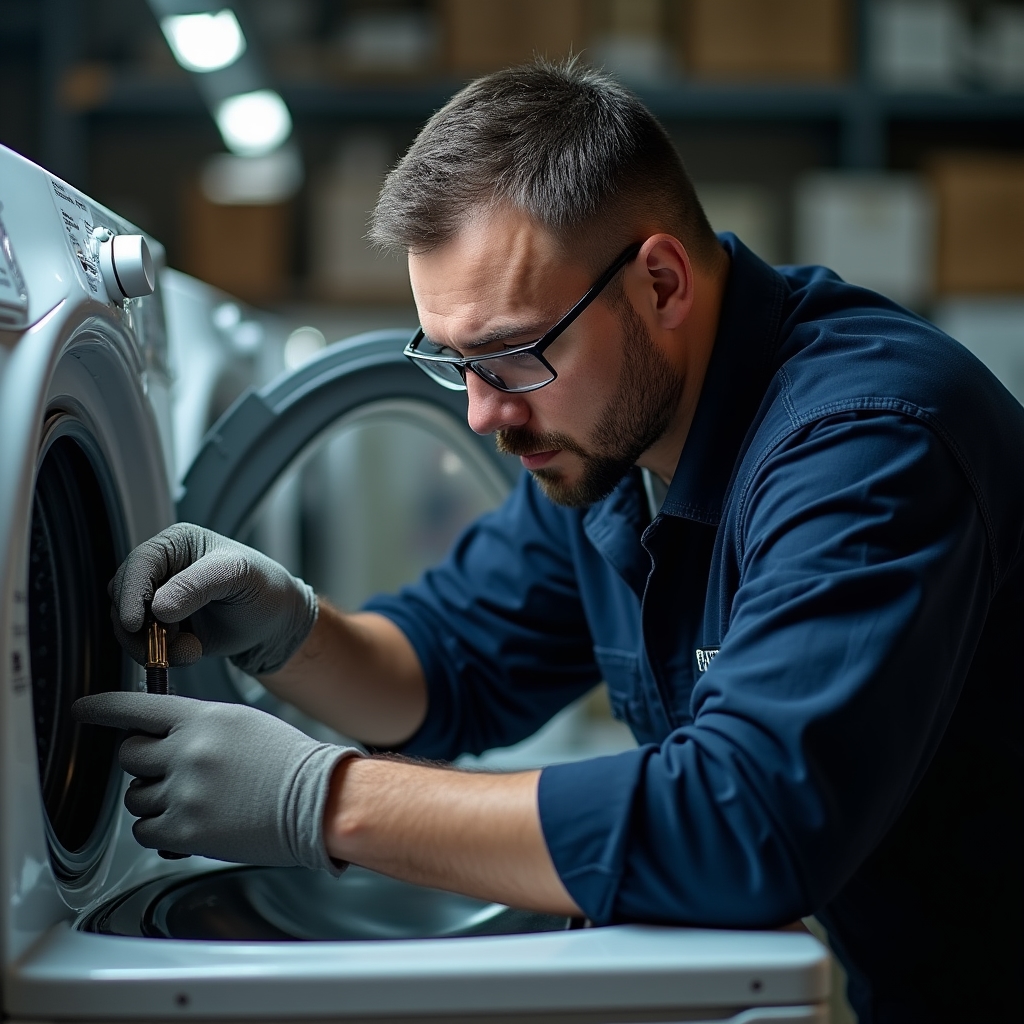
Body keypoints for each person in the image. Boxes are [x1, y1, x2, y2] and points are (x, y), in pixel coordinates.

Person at [75, 60, 1023, 1023]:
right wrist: (288, 628)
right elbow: (446, 667)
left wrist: (317, 800)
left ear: (660, 281)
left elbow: (746, 825)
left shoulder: (869, 444)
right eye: (456, 364)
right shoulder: (611, 445)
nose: (485, 416)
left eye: (514, 356)